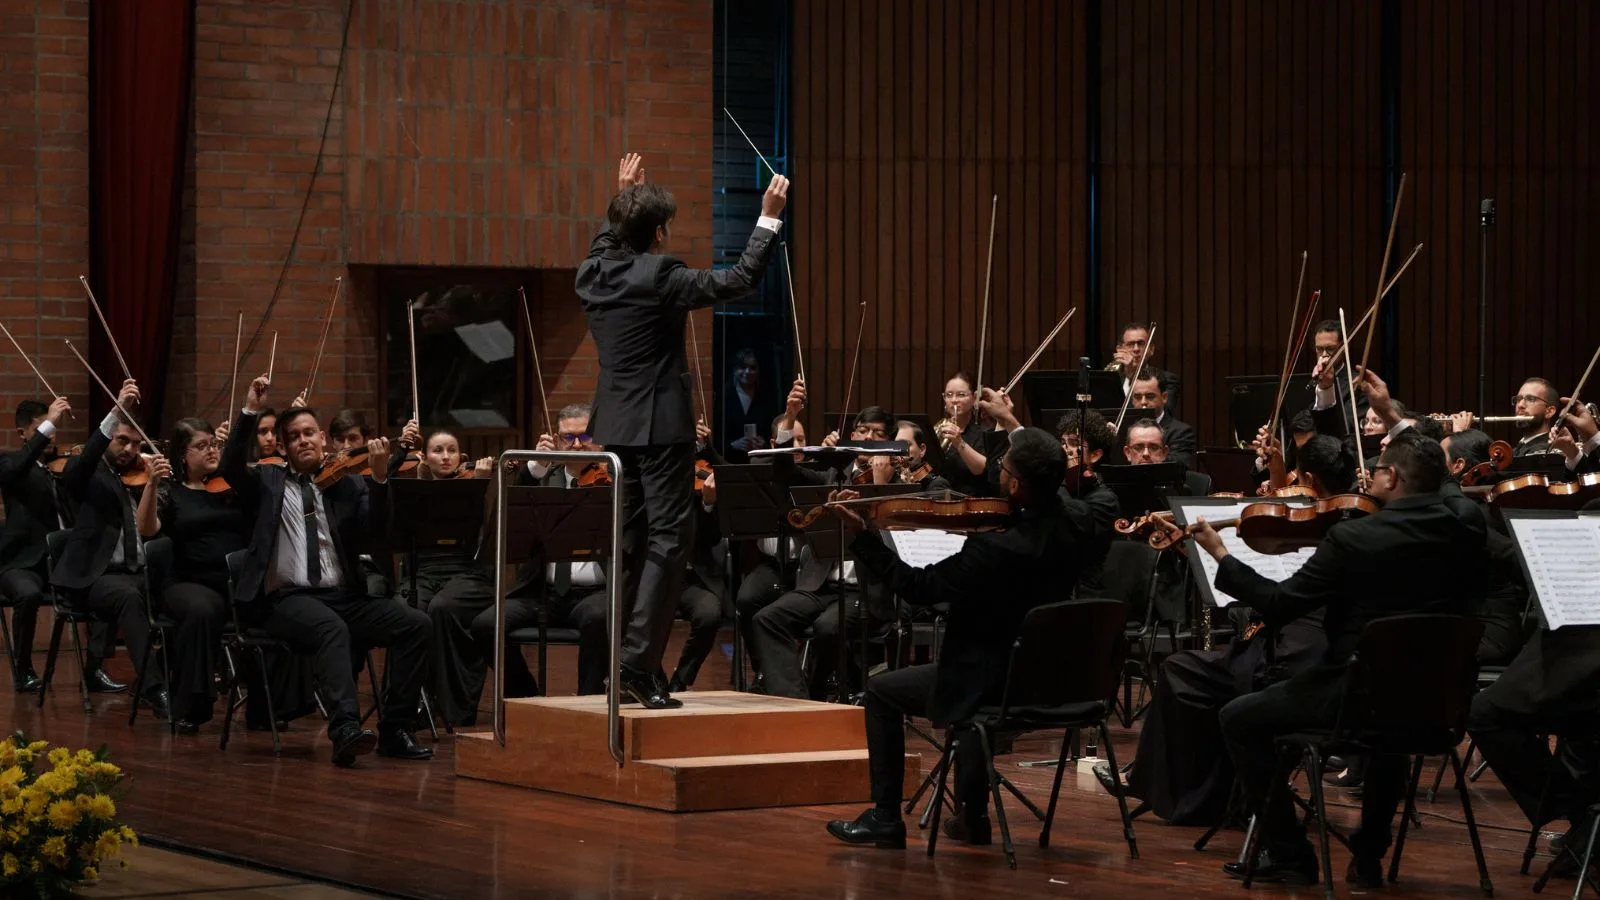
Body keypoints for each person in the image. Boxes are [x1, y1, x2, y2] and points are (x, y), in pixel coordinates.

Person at [1193, 432, 1486, 886]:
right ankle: (1368, 856)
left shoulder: (1355, 537)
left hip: (1353, 697)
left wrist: (1220, 555)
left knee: (1239, 717)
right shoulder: (1467, 525)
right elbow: (1445, 490)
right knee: (1392, 727)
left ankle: (1291, 854)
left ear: (1390, 477)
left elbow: (1278, 602)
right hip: (1437, 700)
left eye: (1379, 471)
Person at [575, 152, 787, 709]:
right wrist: (768, 217)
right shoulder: (662, 275)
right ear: (660, 233)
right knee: (671, 541)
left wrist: (622, 200)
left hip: (616, 423)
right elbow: (738, 279)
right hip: (662, 425)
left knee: (630, 543)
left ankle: (625, 664)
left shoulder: (591, 272)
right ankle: (638, 665)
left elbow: (607, 242)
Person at [823, 427, 1087, 850]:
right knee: (977, 683)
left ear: (1016, 485)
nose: (997, 473)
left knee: (881, 691)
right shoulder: (1076, 527)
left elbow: (918, 587)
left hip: (988, 683)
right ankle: (973, 815)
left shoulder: (994, 552)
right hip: (1051, 681)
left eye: (1004, 468)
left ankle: (886, 817)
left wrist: (862, 537)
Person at [221, 374, 434, 767]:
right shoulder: (267, 483)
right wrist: (250, 407)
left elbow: (378, 535)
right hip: (286, 601)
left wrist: (381, 477)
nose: (303, 440)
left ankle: (396, 729)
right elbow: (229, 464)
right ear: (283, 448)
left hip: (344, 596)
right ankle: (346, 731)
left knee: (416, 624)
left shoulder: (347, 485)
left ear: (323, 438)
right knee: (331, 629)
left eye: (309, 433)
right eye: (294, 437)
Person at [475, 404, 612, 697]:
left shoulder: (614, 480)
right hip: (542, 592)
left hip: (595, 594)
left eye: (585, 438)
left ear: (597, 440)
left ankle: (589, 704)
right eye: (568, 438)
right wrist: (535, 467)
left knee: (600, 619)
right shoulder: (543, 478)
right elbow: (516, 507)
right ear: (555, 438)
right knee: (486, 625)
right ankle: (527, 697)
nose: (576, 446)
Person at [51, 380, 166, 714]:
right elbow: (78, 467)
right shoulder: (89, 474)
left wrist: (155, 479)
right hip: (94, 577)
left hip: (132, 573)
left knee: (182, 590)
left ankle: (179, 677)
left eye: (135, 443)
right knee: (129, 597)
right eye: (121, 440)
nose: (129, 449)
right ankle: (152, 687)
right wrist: (116, 410)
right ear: (108, 440)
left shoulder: (139, 476)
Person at [400, 424, 495, 726]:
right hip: (423, 573)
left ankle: (455, 706)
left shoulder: (476, 483)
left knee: (442, 608)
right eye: (437, 451)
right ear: (424, 457)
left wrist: (481, 484)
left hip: (469, 574)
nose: (445, 457)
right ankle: (409, 705)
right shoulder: (413, 489)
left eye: (451, 450)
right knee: (406, 610)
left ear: (461, 456)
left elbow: (489, 530)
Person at [0, 397, 71, 692]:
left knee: (109, 585)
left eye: (54, 427)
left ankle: (94, 668)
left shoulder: (62, 466)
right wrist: (49, 423)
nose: (51, 434)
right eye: (42, 427)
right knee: (28, 595)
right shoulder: (9, 462)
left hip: (62, 562)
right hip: (21, 563)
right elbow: (16, 468)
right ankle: (24, 668)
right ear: (23, 433)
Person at [933, 372, 991, 498]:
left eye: (961, 395)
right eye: (949, 395)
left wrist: (959, 442)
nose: (954, 400)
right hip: (937, 499)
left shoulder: (984, 432)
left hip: (971, 501)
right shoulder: (937, 429)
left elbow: (982, 469)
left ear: (974, 397)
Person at [1125, 368, 1197, 470]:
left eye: (1150, 396)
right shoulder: (1123, 429)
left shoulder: (1181, 432)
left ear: (1164, 397)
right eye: (1137, 397)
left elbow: (1178, 465)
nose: (1143, 402)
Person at [720, 348, 782, 463]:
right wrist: (732, 444)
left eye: (752, 368)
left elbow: (772, 429)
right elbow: (717, 432)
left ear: (758, 371)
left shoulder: (766, 398)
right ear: (734, 370)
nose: (747, 372)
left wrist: (764, 442)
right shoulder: (723, 397)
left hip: (759, 461)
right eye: (742, 367)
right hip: (729, 460)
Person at [1110, 323, 1181, 415]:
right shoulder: (1109, 379)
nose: (1136, 349)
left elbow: (1161, 415)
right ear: (1119, 350)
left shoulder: (1169, 380)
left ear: (1151, 349)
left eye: (1141, 344)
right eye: (1130, 344)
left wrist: (1133, 376)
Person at [1510, 378, 1562, 457]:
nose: (1520, 405)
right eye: (1518, 399)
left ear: (1549, 411)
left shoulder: (1547, 451)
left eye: (1530, 399)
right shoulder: (1515, 450)